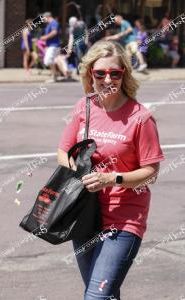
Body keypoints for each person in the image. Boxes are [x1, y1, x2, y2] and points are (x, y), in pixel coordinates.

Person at [57, 40, 164, 299]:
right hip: (85, 215)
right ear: (89, 74)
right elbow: (63, 152)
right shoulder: (84, 107)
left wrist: (110, 178)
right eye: (100, 73)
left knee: (96, 296)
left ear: (124, 74)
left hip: (124, 219)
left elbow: (151, 171)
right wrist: (77, 172)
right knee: (106, 294)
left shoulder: (140, 118)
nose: (108, 79)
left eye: (115, 73)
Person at [41, 12, 60, 82]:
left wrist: (45, 37)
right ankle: (54, 76)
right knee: (50, 61)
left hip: (54, 45)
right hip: (50, 45)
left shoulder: (53, 22)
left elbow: (54, 32)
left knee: (48, 60)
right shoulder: (50, 24)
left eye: (43, 19)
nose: (43, 20)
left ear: (47, 17)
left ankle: (54, 76)